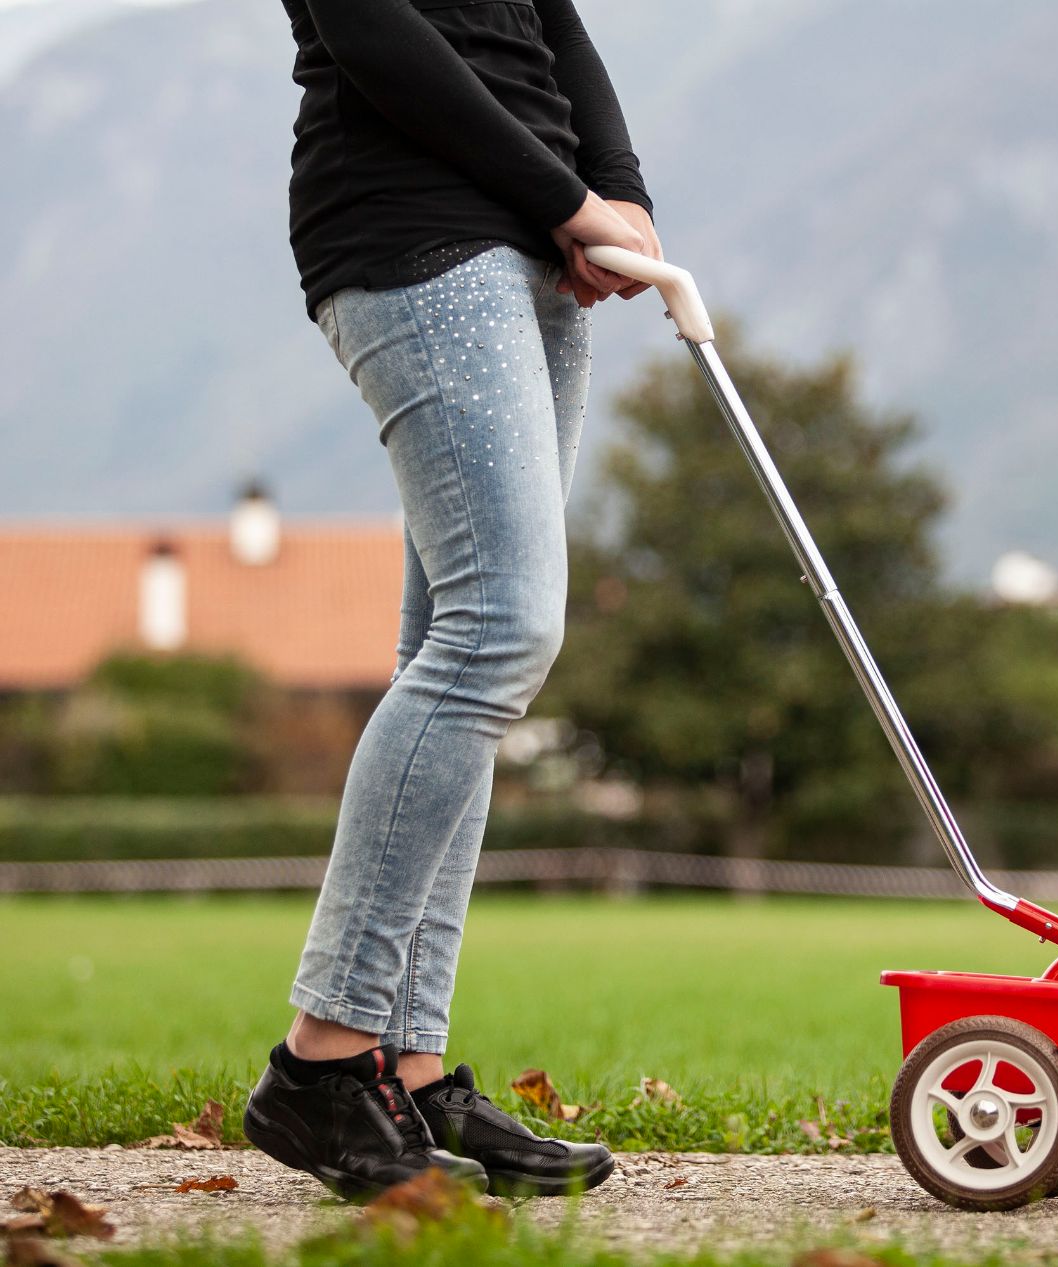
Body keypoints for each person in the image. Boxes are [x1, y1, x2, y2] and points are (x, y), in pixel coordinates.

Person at [241, 0, 661, 1199]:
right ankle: (324, 1060)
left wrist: (618, 198)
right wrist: (570, 202)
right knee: (499, 634)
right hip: (417, 233)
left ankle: (407, 1071)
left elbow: (555, 29)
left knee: (457, 645)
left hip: (538, 248)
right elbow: (376, 32)